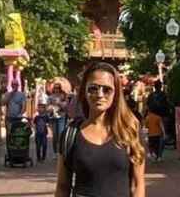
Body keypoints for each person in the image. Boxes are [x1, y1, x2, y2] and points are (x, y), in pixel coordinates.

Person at [55, 62, 146, 197]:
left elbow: (137, 184)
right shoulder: (71, 134)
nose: (100, 94)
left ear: (116, 93)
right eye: (93, 88)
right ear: (84, 91)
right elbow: (63, 186)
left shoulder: (129, 131)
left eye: (107, 89)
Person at [48, 83, 68, 155]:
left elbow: (66, 107)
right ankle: (55, 152)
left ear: (60, 89)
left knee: (60, 134)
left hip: (61, 117)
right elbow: (48, 107)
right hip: (53, 117)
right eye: (55, 88)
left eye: (58, 88)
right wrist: (50, 108)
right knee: (55, 135)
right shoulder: (50, 97)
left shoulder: (63, 96)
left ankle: (60, 152)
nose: (57, 89)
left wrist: (59, 103)